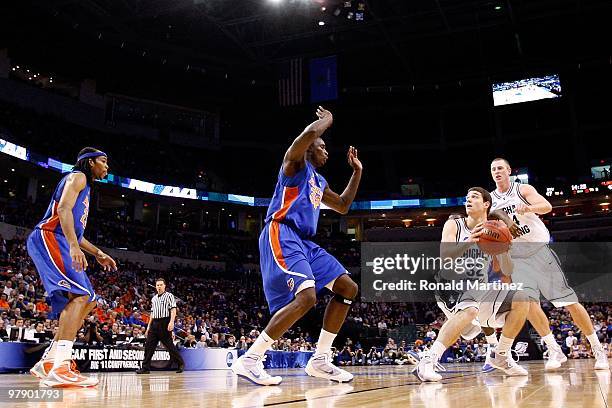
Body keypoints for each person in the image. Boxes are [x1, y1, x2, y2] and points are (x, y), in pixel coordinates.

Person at [232, 107, 362, 385]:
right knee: (307, 297)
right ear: (308, 149)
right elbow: (308, 133)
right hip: (282, 231)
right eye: (322, 147)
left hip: (304, 242)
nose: (327, 152)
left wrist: (357, 173)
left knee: (348, 288)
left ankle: (321, 360)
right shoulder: (294, 166)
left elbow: (342, 205)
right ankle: (251, 359)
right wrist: (327, 120)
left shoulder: (319, 180)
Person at [489, 157, 609, 370]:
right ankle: (554, 350)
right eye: (493, 169)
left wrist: (526, 208)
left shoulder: (522, 189)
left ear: (509, 171)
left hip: (539, 252)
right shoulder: (491, 200)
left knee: (568, 302)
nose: (496, 171)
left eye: (500, 168)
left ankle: (598, 350)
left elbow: (546, 205)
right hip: (516, 258)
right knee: (528, 305)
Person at [414, 187, 530, 381]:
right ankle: (428, 361)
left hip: (478, 289)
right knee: (470, 311)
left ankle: (500, 355)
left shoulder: (495, 230)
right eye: (466, 197)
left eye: (474, 197)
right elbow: (445, 258)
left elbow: (508, 272)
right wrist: (469, 241)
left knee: (522, 298)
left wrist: (505, 249)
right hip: (449, 283)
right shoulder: (455, 224)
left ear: (486, 204)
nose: (468, 200)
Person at [27, 147, 117, 387]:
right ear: (89, 163)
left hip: (61, 238)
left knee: (90, 299)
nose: (107, 166)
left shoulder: (85, 187)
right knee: (80, 295)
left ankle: (50, 361)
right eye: (103, 161)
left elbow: (77, 233)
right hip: (50, 236)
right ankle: (61, 366)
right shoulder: (78, 177)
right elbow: (63, 210)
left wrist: (98, 253)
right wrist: (73, 247)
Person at [136, 278, 185, 374]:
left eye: (160, 285)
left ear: (164, 286)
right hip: (155, 323)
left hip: (165, 322)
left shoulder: (169, 296)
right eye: (157, 285)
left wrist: (171, 322)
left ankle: (181, 363)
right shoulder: (154, 298)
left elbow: (173, 310)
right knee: (149, 346)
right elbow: (152, 314)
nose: (159, 286)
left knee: (169, 346)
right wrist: (148, 327)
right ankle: (145, 368)